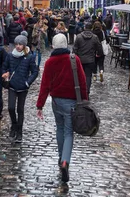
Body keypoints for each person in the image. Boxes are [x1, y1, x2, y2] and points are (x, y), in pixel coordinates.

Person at [36, 33, 88, 183]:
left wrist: (40, 105)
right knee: (68, 133)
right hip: (71, 102)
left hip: (56, 102)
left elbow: (44, 85)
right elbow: (83, 81)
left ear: (53, 45)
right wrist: (84, 100)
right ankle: (65, 161)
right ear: (66, 44)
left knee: (59, 129)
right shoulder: (74, 59)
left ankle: (60, 158)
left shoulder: (49, 63)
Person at [2, 35, 38, 143]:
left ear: (24, 45)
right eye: (16, 44)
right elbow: (4, 67)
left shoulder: (29, 57)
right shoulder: (10, 55)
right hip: (12, 86)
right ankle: (14, 125)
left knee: (20, 110)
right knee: (11, 108)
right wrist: (5, 74)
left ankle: (19, 131)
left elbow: (35, 72)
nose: (18, 46)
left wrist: (27, 83)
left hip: (23, 87)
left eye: (20, 44)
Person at [73, 22, 102, 96]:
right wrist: (98, 53)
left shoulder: (79, 37)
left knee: (79, 75)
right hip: (90, 60)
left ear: (84, 28)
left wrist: (74, 56)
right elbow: (99, 47)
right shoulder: (94, 37)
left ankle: (80, 91)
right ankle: (87, 91)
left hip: (80, 60)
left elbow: (75, 48)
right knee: (88, 76)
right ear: (91, 28)